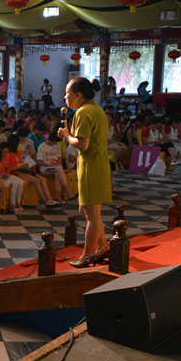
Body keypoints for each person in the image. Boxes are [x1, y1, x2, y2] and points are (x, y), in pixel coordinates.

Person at [58, 77, 112, 267]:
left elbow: (82, 143)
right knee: (87, 209)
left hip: (91, 164)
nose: (65, 97)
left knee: (92, 212)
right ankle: (103, 246)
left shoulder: (83, 112)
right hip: (97, 162)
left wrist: (66, 136)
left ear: (78, 95)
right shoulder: (96, 109)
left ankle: (88, 255)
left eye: (67, 93)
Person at [36, 132, 75, 202]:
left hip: (56, 167)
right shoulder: (41, 147)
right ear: (52, 141)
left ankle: (58, 197)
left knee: (57, 173)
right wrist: (48, 165)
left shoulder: (57, 145)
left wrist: (57, 163)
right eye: (55, 142)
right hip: (45, 169)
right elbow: (39, 161)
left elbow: (59, 158)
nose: (56, 144)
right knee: (59, 169)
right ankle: (67, 190)